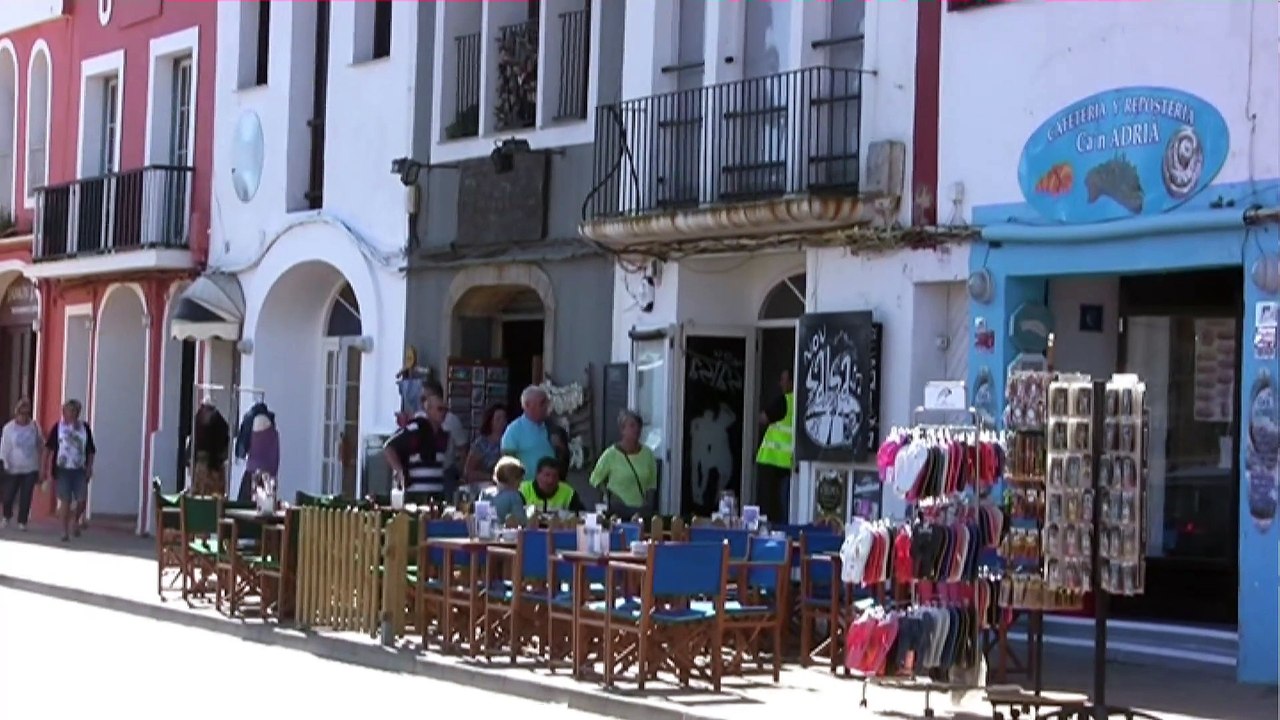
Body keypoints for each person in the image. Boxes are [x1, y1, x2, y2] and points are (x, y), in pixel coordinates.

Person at [383, 394, 452, 505]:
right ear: (428, 409)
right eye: (440, 409)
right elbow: (389, 447)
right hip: (416, 496)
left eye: (446, 410)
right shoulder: (415, 429)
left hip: (437, 495)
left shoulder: (443, 435)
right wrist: (400, 472)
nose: (443, 413)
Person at [43, 399, 96, 542]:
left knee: (82, 501)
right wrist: (45, 468)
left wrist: (90, 467)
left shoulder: (85, 428)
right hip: (62, 470)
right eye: (69, 410)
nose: (72, 413)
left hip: (79, 469)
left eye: (75, 411)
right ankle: (64, 531)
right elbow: (48, 449)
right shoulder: (58, 428)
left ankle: (75, 519)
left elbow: (90, 450)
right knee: (65, 500)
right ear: (64, 412)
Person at [590, 409, 658, 517]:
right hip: (617, 511)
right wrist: (609, 495)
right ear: (622, 429)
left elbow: (651, 484)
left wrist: (648, 506)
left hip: (640, 512)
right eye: (632, 425)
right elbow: (595, 479)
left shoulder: (648, 455)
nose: (636, 429)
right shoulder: (611, 454)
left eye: (638, 426)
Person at [756, 369, 795, 523]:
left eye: (783, 380)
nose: (780, 383)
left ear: (792, 382)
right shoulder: (800, 403)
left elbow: (763, 419)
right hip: (788, 463)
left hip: (771, 460)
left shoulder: (783, 401)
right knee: (784, 505)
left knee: (768, 506)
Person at [0, 398, 42, 530]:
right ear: (16, 413)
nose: (23, 417)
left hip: (30, 467)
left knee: (26, 495)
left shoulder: (34, 426)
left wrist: (41, 466)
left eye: (26, 414)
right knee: (8, 495)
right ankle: (7, 516)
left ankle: (22, 521)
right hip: (12, 467)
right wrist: (5, 462)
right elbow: (4, 447)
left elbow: (41, 444)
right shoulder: (9, 428)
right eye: (21, 413)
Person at [501, 385, 555, 480]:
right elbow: (508, 465)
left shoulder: (550, 427)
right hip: (526, 489)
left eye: (547, 402)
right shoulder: (514, 430)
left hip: (551, 486)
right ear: (528, 405)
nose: (546, 406)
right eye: (542, 403)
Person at [463, 403, 507, 497]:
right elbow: (468, 472)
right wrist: (490, 477)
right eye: (498, 419)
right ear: (490, 421)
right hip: (485, 487)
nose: (502, 422)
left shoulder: (510, 440)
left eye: (504, 418)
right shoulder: (481, 443)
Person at [519, 456, 583, 513]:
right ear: (537, 475)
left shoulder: (568, 492)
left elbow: (581, 515)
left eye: (555, 476)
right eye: (547, 475)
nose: (551, 480)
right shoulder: (522, 490)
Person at [478, 455, 528, 526]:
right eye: (520, 479)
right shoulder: (514, 496)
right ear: (513, 479)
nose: (521, 483)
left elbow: (480, 519)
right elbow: (521, 520)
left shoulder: (484, 493)